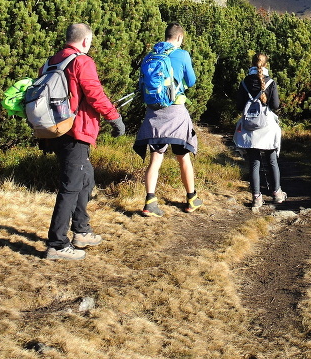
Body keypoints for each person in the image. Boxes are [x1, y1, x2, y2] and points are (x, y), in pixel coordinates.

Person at [45, 23, 126, 261]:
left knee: (86, 178)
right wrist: (114, 117)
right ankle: (57, 244)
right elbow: (94, 94)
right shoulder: (82, 61)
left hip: (56, 129)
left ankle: (81, 230)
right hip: (76, 131)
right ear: (85, 41)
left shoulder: (53, 60)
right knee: (71, 186)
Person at [133, 23, 202, 217]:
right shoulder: (182, 55)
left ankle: (150, 202)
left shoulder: (151, 55)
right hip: (176, 113)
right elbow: (192, 81)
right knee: (183, 157)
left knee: (155, 159)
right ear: (179, 38)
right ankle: (191, 199)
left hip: (154, 113)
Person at [235, 53, 286, 209]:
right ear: (266, 65)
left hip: (249, 128)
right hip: (267, 127)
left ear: (251, 64)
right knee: (272, 161)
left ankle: (257, 197)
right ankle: (277, 193)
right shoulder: (271, 82)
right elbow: (276, 105)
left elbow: (238, 106)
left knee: (254, 163)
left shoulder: (244, 82)